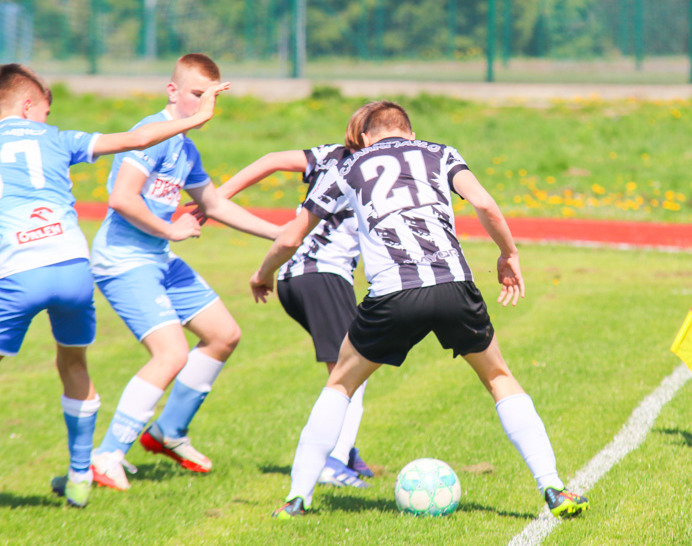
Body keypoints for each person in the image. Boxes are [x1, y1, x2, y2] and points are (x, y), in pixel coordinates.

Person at [250, 101, 589, 518]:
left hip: (393, 294)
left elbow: (290, 238)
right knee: (500, 377)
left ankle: (297, 498)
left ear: (368, 137)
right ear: (409, 133)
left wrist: (264, 273)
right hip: (454, 286)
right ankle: (553, 488)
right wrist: (508, 254)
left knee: (339, 384)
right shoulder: (440, 152)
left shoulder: (347, 166)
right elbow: (484, 203)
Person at [0, 63, 229, 508]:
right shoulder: (59, 138)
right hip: (72, 267)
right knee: (73, 364)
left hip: (17, 273)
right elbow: (137, 139)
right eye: (46, 112)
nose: (47, 120)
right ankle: (81, 475)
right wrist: (199, 118)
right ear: (29, 105)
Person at [88, 53, 283, 491]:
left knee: (223, 334)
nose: (204, 104)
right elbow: (122, 198)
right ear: (172, 91)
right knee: (171, 354)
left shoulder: (185, 148)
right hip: (122, 259)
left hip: (157, 257)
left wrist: (280, 233)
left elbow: (213, 204)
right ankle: (106, 456)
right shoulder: (151, 134)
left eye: (212, 96)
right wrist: (170, 230)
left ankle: (167, 433)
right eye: (198, 94)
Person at [207, 104, 375, 487]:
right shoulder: (371, 169)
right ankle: (332, 461)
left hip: (294, 277)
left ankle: (345, 452)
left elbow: (270, 159)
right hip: (322, 275)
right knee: (352, 373)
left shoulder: (330, 155)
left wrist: (217, 196)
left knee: (349, 367)